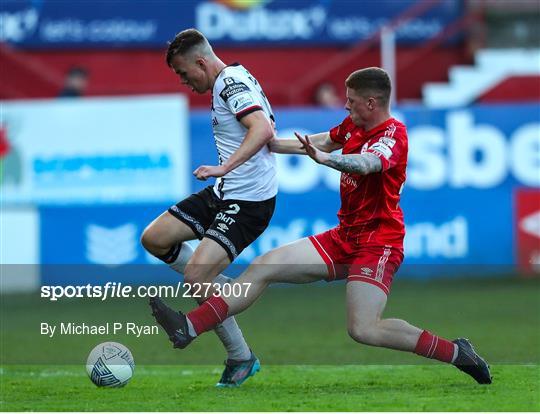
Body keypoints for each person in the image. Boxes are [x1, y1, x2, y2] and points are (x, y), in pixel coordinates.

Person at [150, 67, 492, 385]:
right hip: (345, 237)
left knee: (363, 329)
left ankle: (457, 352)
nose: (346, 105)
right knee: (265, 265)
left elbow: (367, 164)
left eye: (352, 101)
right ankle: (190, 327)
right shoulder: (354, 125)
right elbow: (325, 140)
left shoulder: (394, 135)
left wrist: (327, 160)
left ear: (371, 103)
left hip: (379, 243)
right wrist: (270, 145)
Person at [142, 28, 277, 387]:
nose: (185, 82)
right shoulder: (231, 78)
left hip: (248, 201)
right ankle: (233, 291)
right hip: (225, 191)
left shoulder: (230, 82)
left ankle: (240, 357)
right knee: (154, 238)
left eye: (185, 74)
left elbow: (261, 128)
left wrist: (224, 166)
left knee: (196, 277)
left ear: (201, 62)